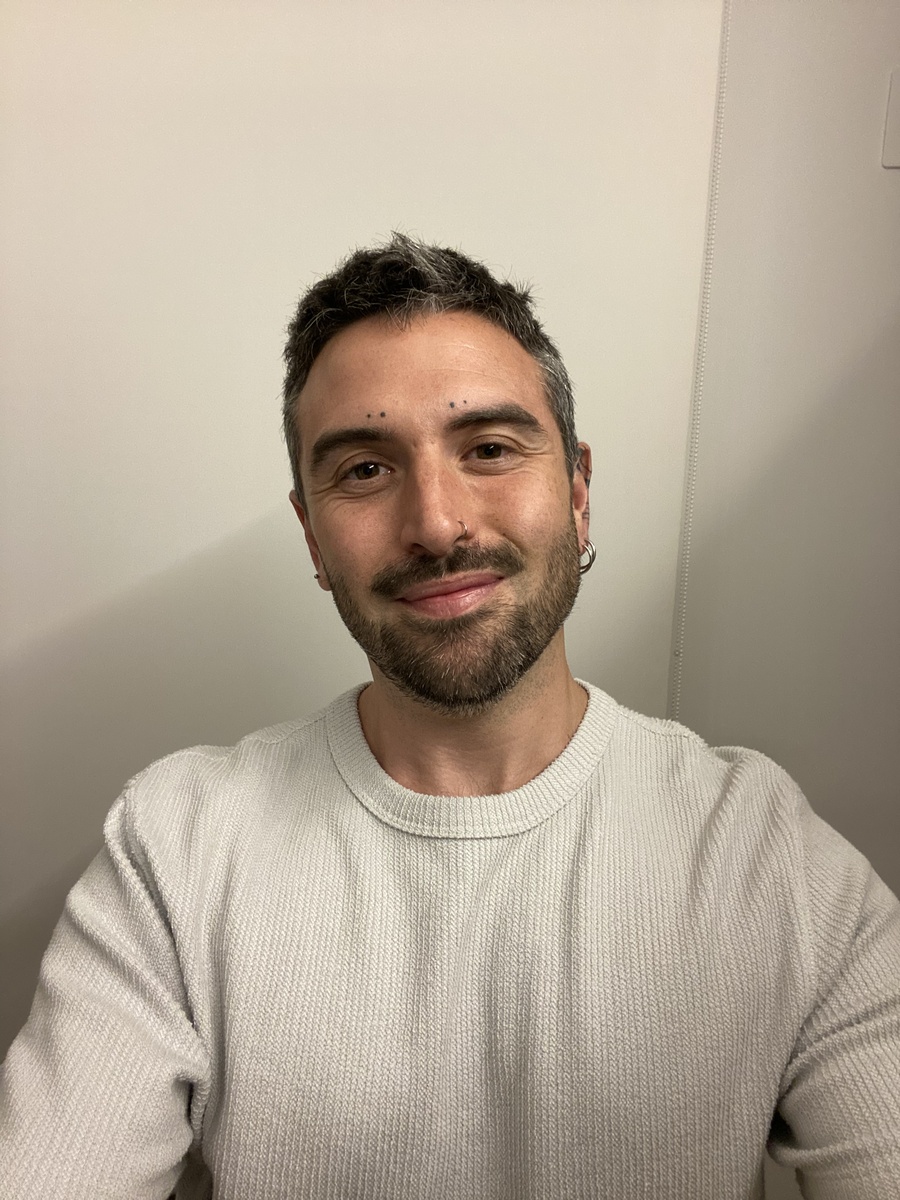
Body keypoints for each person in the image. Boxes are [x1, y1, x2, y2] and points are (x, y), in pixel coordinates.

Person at [1, 235, 898, 1200]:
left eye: (490, 449)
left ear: (579, 493)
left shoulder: (765, 854)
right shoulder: (175, 848)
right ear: (312, 536)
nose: (436, 523)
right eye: (364, 470)